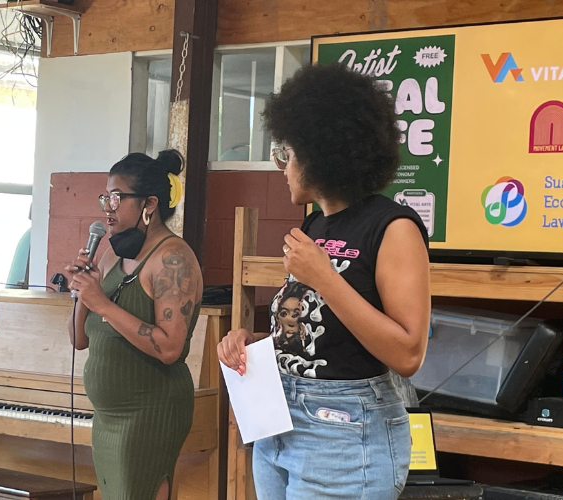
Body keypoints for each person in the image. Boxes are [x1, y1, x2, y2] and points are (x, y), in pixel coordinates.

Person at [217, 64, 431, 499]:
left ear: (321, 153)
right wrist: (255, 341)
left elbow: (409, 353)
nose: (282, 166)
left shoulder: (393, 227)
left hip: (344, 432)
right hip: (279, 423)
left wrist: (324, 277)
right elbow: (321, 334)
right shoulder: (315, 225)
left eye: (288, 153)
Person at [66, 150, 204, 500]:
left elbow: (170, 347)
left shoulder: (173, 259)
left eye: (117, 197)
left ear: (150, 203)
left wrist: (102, 303)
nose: (107, 207)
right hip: (108, 416)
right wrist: (85, 291)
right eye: (105, 197)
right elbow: (79, 339)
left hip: (149, 411)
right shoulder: (112, 253)